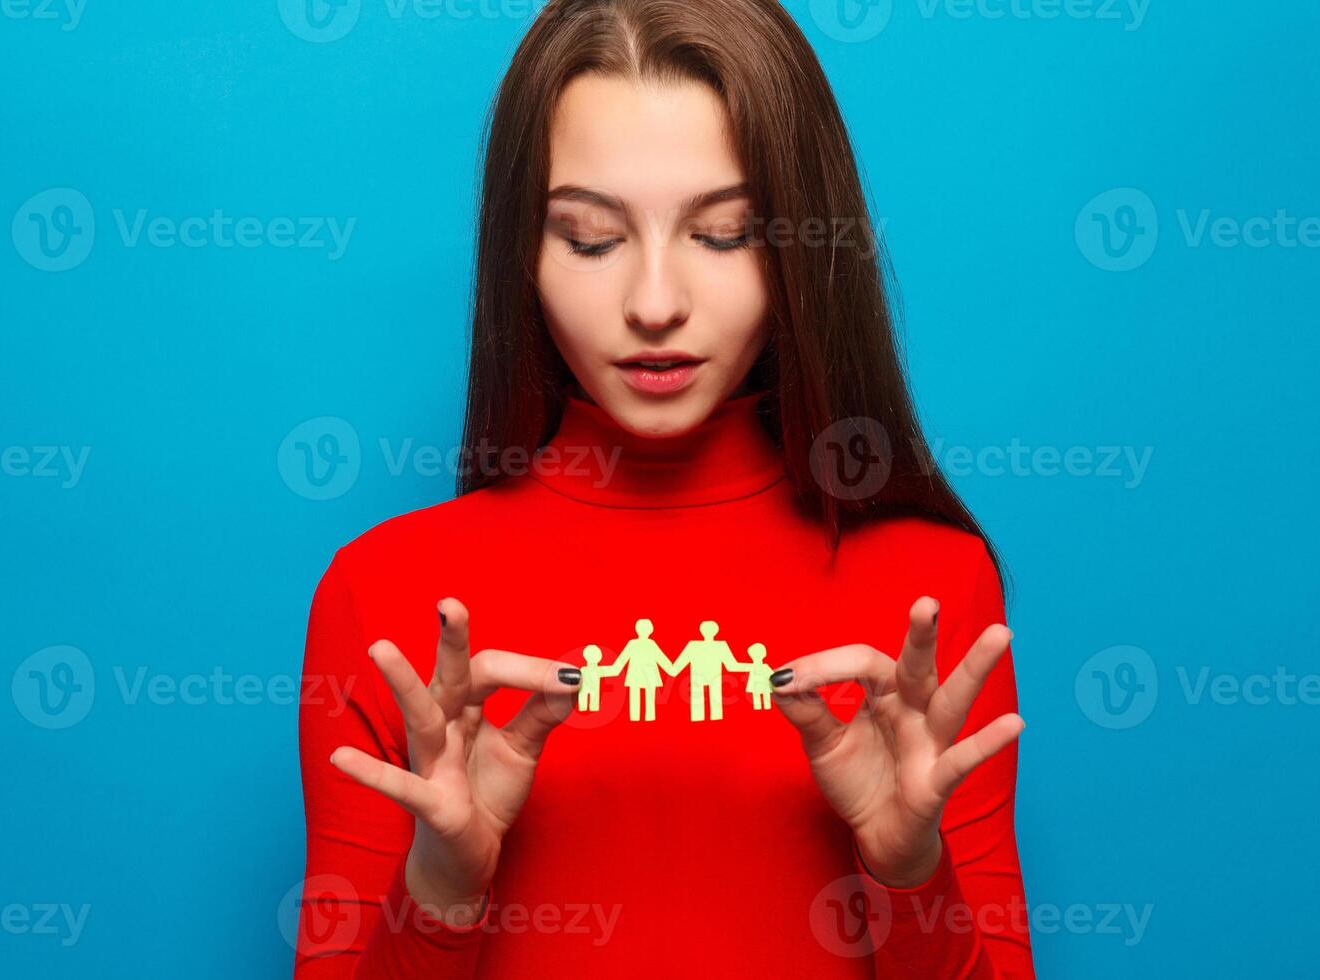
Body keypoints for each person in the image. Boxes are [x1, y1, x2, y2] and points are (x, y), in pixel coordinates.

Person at [294, 0, 1032, 976]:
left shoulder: (933, 596)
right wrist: (443, 891)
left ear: (803, 247)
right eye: (591, 239)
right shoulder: (386, 593)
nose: (654, 304)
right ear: (522, 249)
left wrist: (907, 874)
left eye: (724, 235)